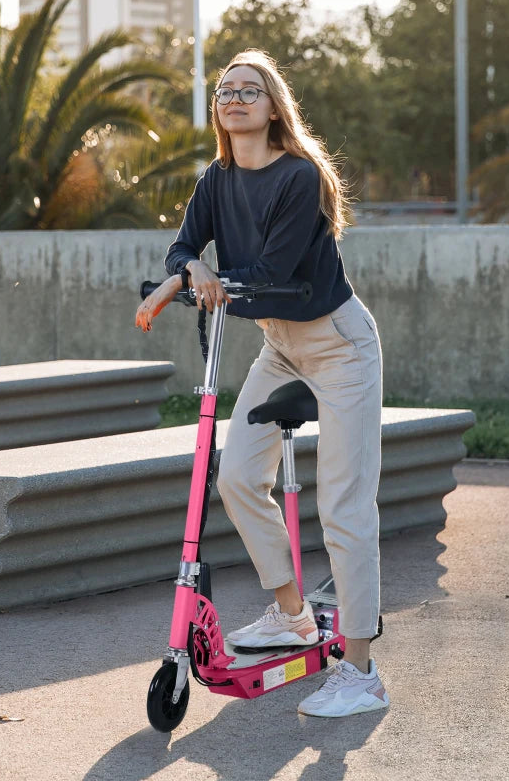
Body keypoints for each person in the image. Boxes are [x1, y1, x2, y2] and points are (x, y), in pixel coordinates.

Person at [135, 50, 387, 718]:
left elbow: (268, 271)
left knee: (345, 509)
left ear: (274, 107)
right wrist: (183, 274)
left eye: (251, 90)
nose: (236, 98)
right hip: (279, 345)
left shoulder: (299, 177)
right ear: (217, 110)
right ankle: (292, 616)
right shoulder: (215, 178)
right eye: (225, 91)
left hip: (339, 346)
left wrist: (197, 282)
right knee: (239, 479)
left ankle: (361, 671)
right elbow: (185, 247)